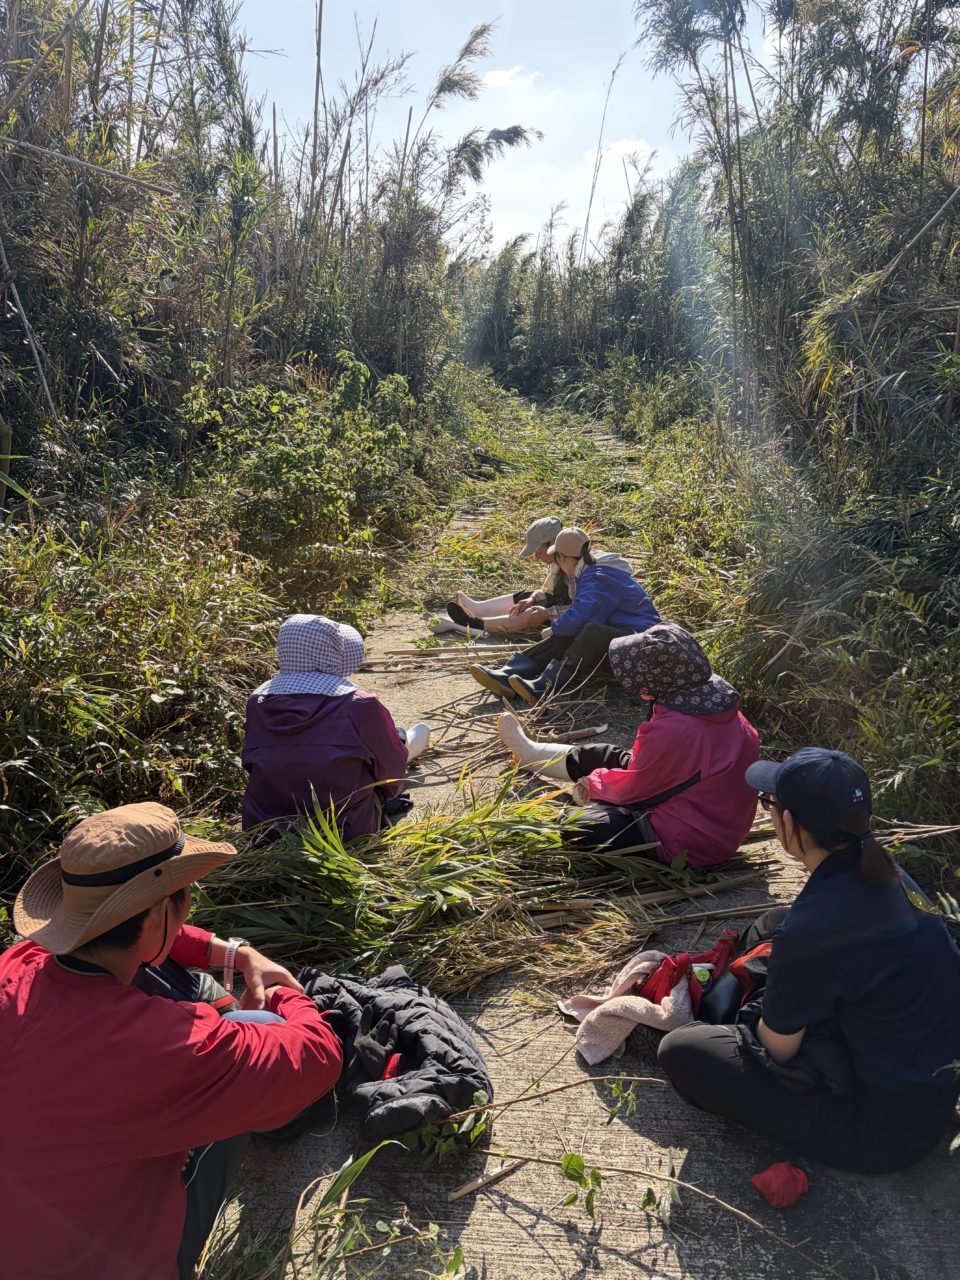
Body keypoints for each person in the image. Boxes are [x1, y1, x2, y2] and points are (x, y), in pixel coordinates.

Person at [0, 802, 347, 1280]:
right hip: (112, 1265)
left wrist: (236, 954)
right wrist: (287, 994)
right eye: (184, 898)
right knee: (260, 1029)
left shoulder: (19, 965)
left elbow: (150, 938)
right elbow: (317, 1057)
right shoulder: (165, 1050)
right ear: (164, 910)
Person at [658, 748, 960, 1173]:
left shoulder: (814, 927)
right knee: (772, 921)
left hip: (880, 1131)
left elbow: (778, 1047)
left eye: (770, 804)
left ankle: (727, 1010)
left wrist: (760, 1008)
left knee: (683, 1050)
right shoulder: (888, 871)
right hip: (922, 1079)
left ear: (788, 823)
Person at [498, 623, 760, 864]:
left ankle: (557, 797)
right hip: (712, 822)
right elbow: (660, 774)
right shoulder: (712, 703)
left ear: (653, 682)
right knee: (605, 755)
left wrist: (595, 786)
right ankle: (529, 752)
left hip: (688, 842)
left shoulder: (677, 729)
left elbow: (637, 789)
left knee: (580, 825)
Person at [242, 614, 430, 839]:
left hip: (267, 832)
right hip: (345, 832)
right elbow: (390, 773)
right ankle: (413, 736)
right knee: (401, 740)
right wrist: (388, 795)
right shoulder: (360, 705)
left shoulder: (257, 703)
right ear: (334, 655)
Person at [469, 527, 659, 704]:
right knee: (578, 630)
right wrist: (558, 626)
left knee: (590, 630)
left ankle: (548, 686)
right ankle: (510, 673)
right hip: (627, 645)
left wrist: (554, 628)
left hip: (640, 652)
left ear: (562, 558)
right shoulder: (593, 570)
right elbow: (580, 613)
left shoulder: (599, 576)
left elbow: (582, 616)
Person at [432, 514, 633, 638]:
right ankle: (477, 611)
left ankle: (472, 623)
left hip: (590, 621)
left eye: (538, 550)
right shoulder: (565, 560)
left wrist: (546, 613)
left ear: (554, 543)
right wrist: (532, 599)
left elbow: (582, 609)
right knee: (529, 597)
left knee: (531, 615)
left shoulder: (582, 569)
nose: (536, 556)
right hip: (580, 613)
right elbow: (551, 591)